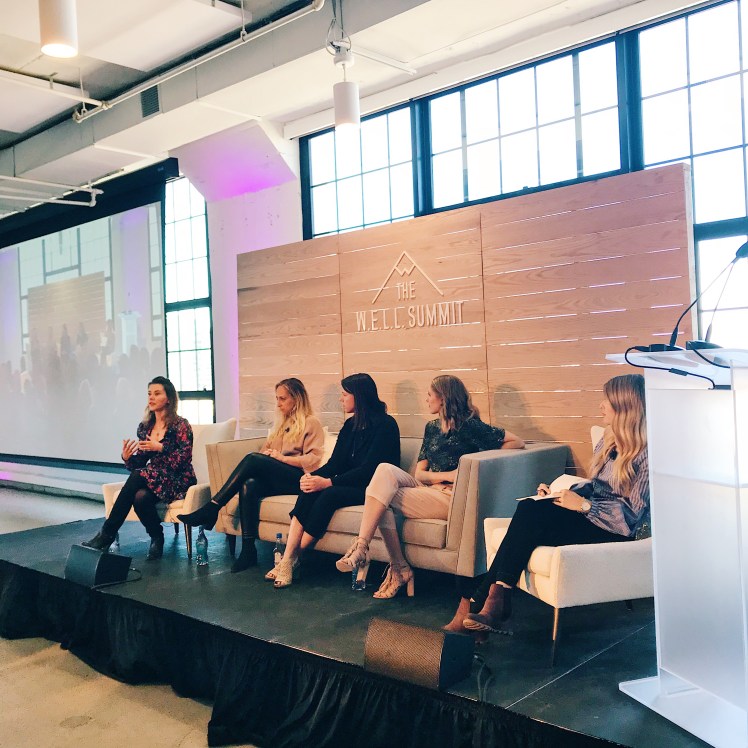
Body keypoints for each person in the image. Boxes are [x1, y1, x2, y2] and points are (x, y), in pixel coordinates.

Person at [453, 373, 649, 636]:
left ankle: (480, 601)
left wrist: (585, 506)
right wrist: (560, 493)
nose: (601, 405)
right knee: (532, 508)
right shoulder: (609, 440)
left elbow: (632, 516)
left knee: (531, 513)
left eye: (607, 401)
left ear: (625, 406)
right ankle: (494, 599)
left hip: (614, 530)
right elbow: (596, 486)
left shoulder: (647, 453)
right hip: (590, 517)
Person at [336, 375, 525, 599]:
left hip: (449, 496)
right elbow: (419, 474)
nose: (426, 399)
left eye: (429, 395)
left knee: (379, 498)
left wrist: (476, 462)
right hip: (429, 489)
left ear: (443, 398)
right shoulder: (432, 428)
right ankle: (365, 548)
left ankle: (396, 567)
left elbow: (517, 442)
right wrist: (447, 475)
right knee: (384, 471)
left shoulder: (471, 426)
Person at [177, 378, 324, 573]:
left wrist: (282, 458)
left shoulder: (311, 423)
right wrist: (268, 457)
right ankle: (248, 550)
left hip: (299, 479)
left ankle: (213, 507)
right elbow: (264, 454)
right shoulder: (281, 423)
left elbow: (314, 460)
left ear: (296, 399)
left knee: (252, 458)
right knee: (250, 484)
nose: (278, 404)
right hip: (278, 475)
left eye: (282, 399)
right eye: (277, 399)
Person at [271, 373, 400, 589]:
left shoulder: (386, 425)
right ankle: (288, 561)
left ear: (359, 396)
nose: (341, 399)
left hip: (372, 489)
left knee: (329, 494)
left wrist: (329, 482)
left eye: (345, 395)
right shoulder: (350, 425)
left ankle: (290, 559)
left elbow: (369, 471)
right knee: (310, 490)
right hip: (348, 483)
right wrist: (313, 477)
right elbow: (335, 463)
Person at [83, 376, 196, 560]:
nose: (151, 397)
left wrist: (160, 447)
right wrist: (128, 458)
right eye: (149, 394)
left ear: (168, 399)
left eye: (157, 393)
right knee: (140, 497)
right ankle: (157, 537)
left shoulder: (181, 425)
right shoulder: (145, 427)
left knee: (138, 476)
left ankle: (107, 533)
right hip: (155, 479)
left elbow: (185, 458)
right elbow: (141, 462)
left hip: (178, 478)